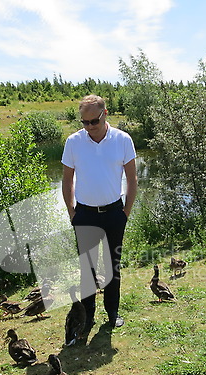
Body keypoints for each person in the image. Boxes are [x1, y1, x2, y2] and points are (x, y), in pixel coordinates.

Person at [62, 95, 137, 330]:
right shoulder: (73, 142)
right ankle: (88, 316)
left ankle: (112, 312)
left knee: (112, 265)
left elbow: (133, 179)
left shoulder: (122, 140)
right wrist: (72, 212)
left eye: (94, 121)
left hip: (115, 213)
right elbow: (67, 180)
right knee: (88, 269)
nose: (89, 127)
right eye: (85, 122)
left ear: (105, 114)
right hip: (85, 214)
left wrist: (125, 212)